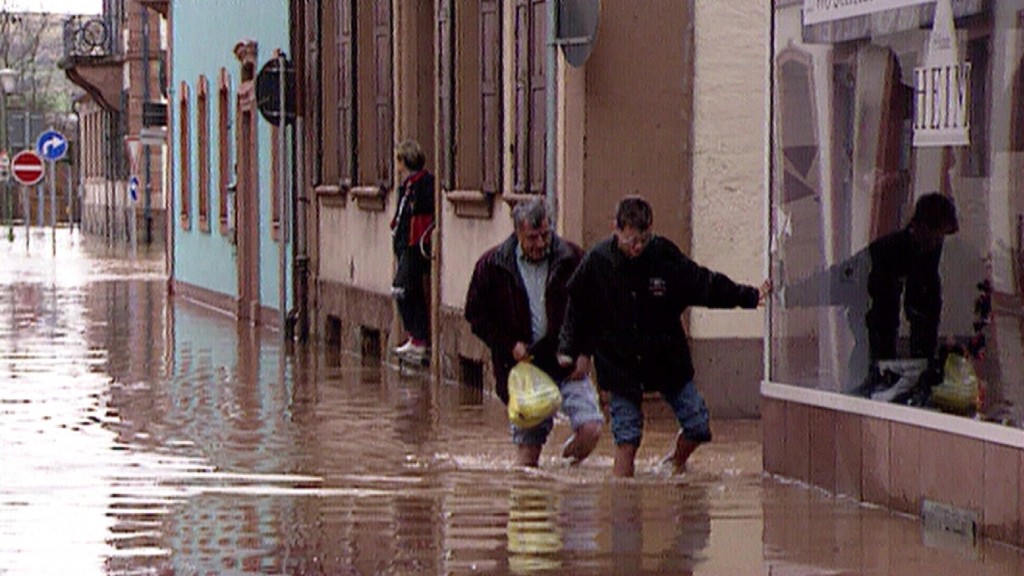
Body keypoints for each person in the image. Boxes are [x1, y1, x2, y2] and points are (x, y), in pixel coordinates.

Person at [558, 195, 770, 477]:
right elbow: (576, 309)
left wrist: (749, 296)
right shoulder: (597, 262)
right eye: (631, 240)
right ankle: (624, 502)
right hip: (620, 365)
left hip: (667, 358)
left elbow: (703, 284)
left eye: (644, 240)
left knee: (698, 426)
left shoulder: (663, 255)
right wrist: (570, 351)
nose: (637, 248)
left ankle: (674, 463)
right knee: (627, 437)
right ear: (616, 229)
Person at [465, 198, 603, 467]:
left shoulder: (573, 258)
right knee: (528, 458)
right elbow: (475, 315)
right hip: (523, 369)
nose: (540, 244)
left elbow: (596, 308)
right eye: (532, 238)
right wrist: (508, 345)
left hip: (567, 362)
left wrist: (586, 353)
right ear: (517, 233)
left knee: (591, 430)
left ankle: (564, 471)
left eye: (545, 235)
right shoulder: (492, 265)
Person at [866, 192, 959, 363]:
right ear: (923, 228)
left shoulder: (928, 252)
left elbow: (927, 303)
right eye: (937, 236)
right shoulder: (888, 253)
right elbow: (883, 316)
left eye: (941, 237)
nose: (939, 242)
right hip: (877, 317)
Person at [390, 140, 435, 359]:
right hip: (405, 244)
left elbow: (422, 217)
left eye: (398, 159)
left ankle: (418, 337)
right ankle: (414, 337)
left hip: (415, 245)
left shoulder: (424, 184)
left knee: (402, 289)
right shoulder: (406, 186)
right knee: (409, 290)